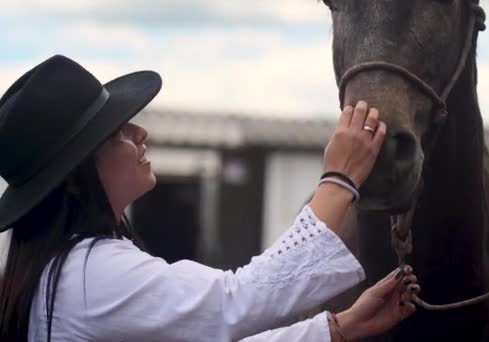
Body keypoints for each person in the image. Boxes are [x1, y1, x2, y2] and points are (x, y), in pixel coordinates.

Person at [0, 55, 418, 341]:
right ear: (75, 180)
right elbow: (237, 301)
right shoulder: (90, 274)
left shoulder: (70, 271)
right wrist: (340, 179)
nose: (140, 133)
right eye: (117, 132)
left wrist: (337, 329)